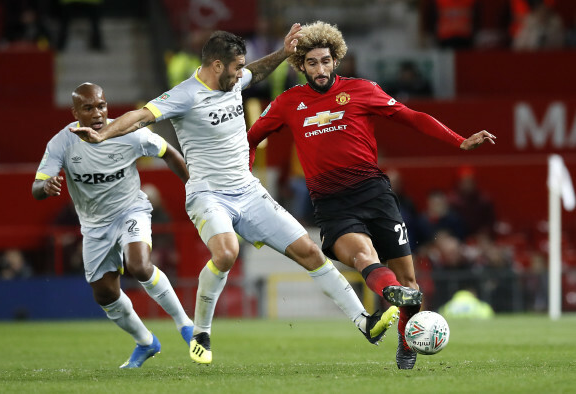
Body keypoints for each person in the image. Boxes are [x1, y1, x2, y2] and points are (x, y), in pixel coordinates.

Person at [70, 24, 405, 366]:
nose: (241, 73)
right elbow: (140, 116)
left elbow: (256, 72)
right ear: (216, 65)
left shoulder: (234, 79)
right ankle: (201, 330)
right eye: (235, 68)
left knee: (309, 251)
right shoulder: (185, 95)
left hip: (247, 190)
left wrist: (284, 53)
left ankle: (364, 323)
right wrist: (104, 134)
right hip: (208, 194)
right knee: (227, 253)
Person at [246, 21, 496, 369]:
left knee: (409, 279)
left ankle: (406, 342)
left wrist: (458, 140)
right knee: (364, 255)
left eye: (326, 61)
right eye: (313, 62)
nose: (320, 69)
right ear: (301, 65)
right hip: (332, 203)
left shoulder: (362, 90)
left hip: (375, 195)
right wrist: (246, 176)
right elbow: (251, 138)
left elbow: (411, 117)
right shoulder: (288, 103)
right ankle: (391, 293)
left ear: (336, 60)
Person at [32, 83, 194, 369]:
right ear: (75, 112)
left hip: (131, 210)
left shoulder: (128, 133)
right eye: (89, 107)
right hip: (94, 226)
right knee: (104, 293)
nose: (97, 113)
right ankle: (146, 342)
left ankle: (186, 325)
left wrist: (192, 188)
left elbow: (168, 151)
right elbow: (35, 187)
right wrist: (45, 186)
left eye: (102, 105)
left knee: (139, 265)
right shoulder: (62, 143)